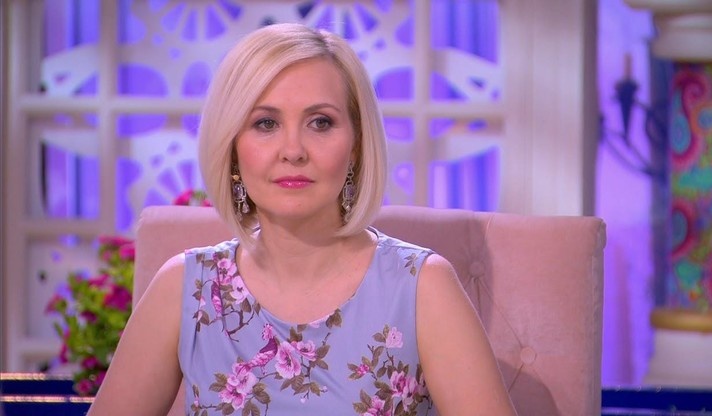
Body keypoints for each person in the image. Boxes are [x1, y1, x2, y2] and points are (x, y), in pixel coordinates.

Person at [89, 23, 516, 416]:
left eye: (320, 122)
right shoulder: (185, 287)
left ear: (356, 146)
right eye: (266, 123)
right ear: (232, 147)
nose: (293, 150)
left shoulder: (424, 288)